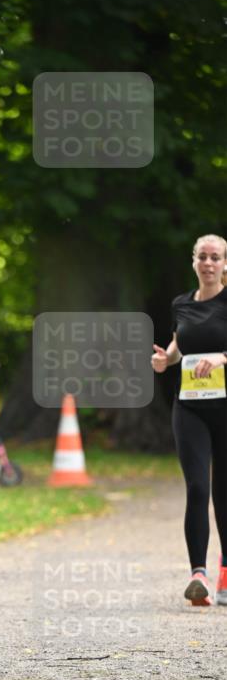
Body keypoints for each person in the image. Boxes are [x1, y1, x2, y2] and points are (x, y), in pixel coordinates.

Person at [151, 233, 227, 606]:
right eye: (203, 257)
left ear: (225, 264)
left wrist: (223, 358)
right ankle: (198, 574)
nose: (209, 263)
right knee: (198, 487)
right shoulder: (181, 303)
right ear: (194, 261)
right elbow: (180, 343)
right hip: (191, 406)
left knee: (224, 493)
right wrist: (166, 359)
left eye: (216, 257)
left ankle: (226, 567)